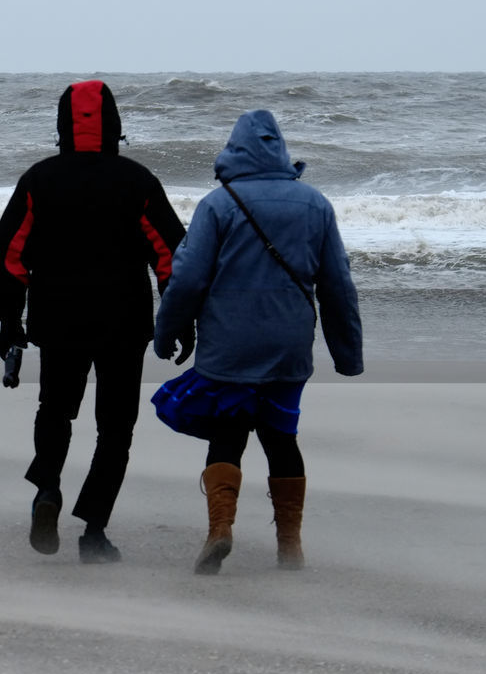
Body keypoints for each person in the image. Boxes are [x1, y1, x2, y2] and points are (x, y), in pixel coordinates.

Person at [152, 109, 364, 574]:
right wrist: (347, 354)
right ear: (281, 151)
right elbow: (337, 285)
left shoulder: (218, 204)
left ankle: (219, 531)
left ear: (234, 152)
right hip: (289, 345)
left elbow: (186, 278)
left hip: (228, 345)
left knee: (227, 434)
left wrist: (165, 331)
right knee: (281, 436)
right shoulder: (314, 204)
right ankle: (290, 546)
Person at [0, 80, 186, 563]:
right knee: (115, 429)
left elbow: (9, 254)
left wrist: (9, 320)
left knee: (55, 412)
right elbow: (172, 256)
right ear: (115, 127)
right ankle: (94, 532)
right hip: (125, 322)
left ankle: (47, 490)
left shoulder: (39, 180)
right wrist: (180, 318)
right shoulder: (138, 181)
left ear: (61, 127)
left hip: (58, 319)